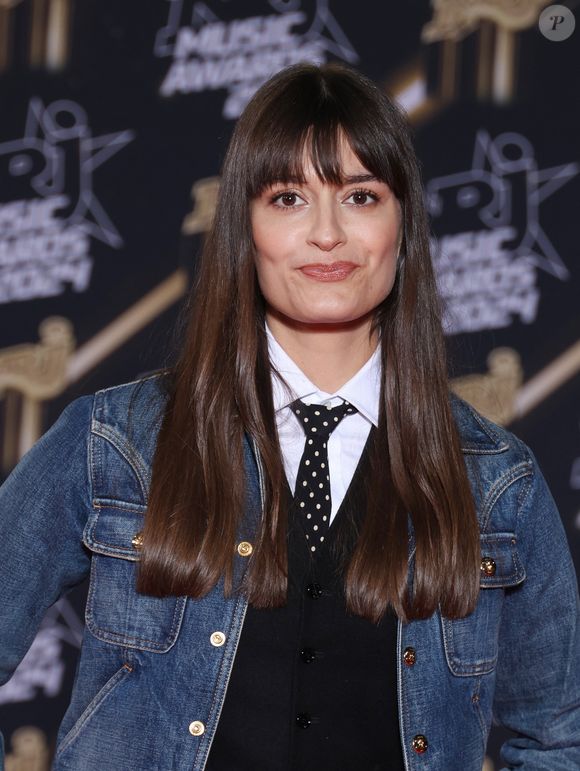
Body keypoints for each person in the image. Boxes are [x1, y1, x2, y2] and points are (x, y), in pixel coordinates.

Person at [0, 63, 579, 771]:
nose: (327, 233)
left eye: (361, 196)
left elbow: (560, 739)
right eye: (288, 198)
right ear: (246, 225)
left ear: (403, 222)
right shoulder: (114, 442)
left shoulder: (496, 481)